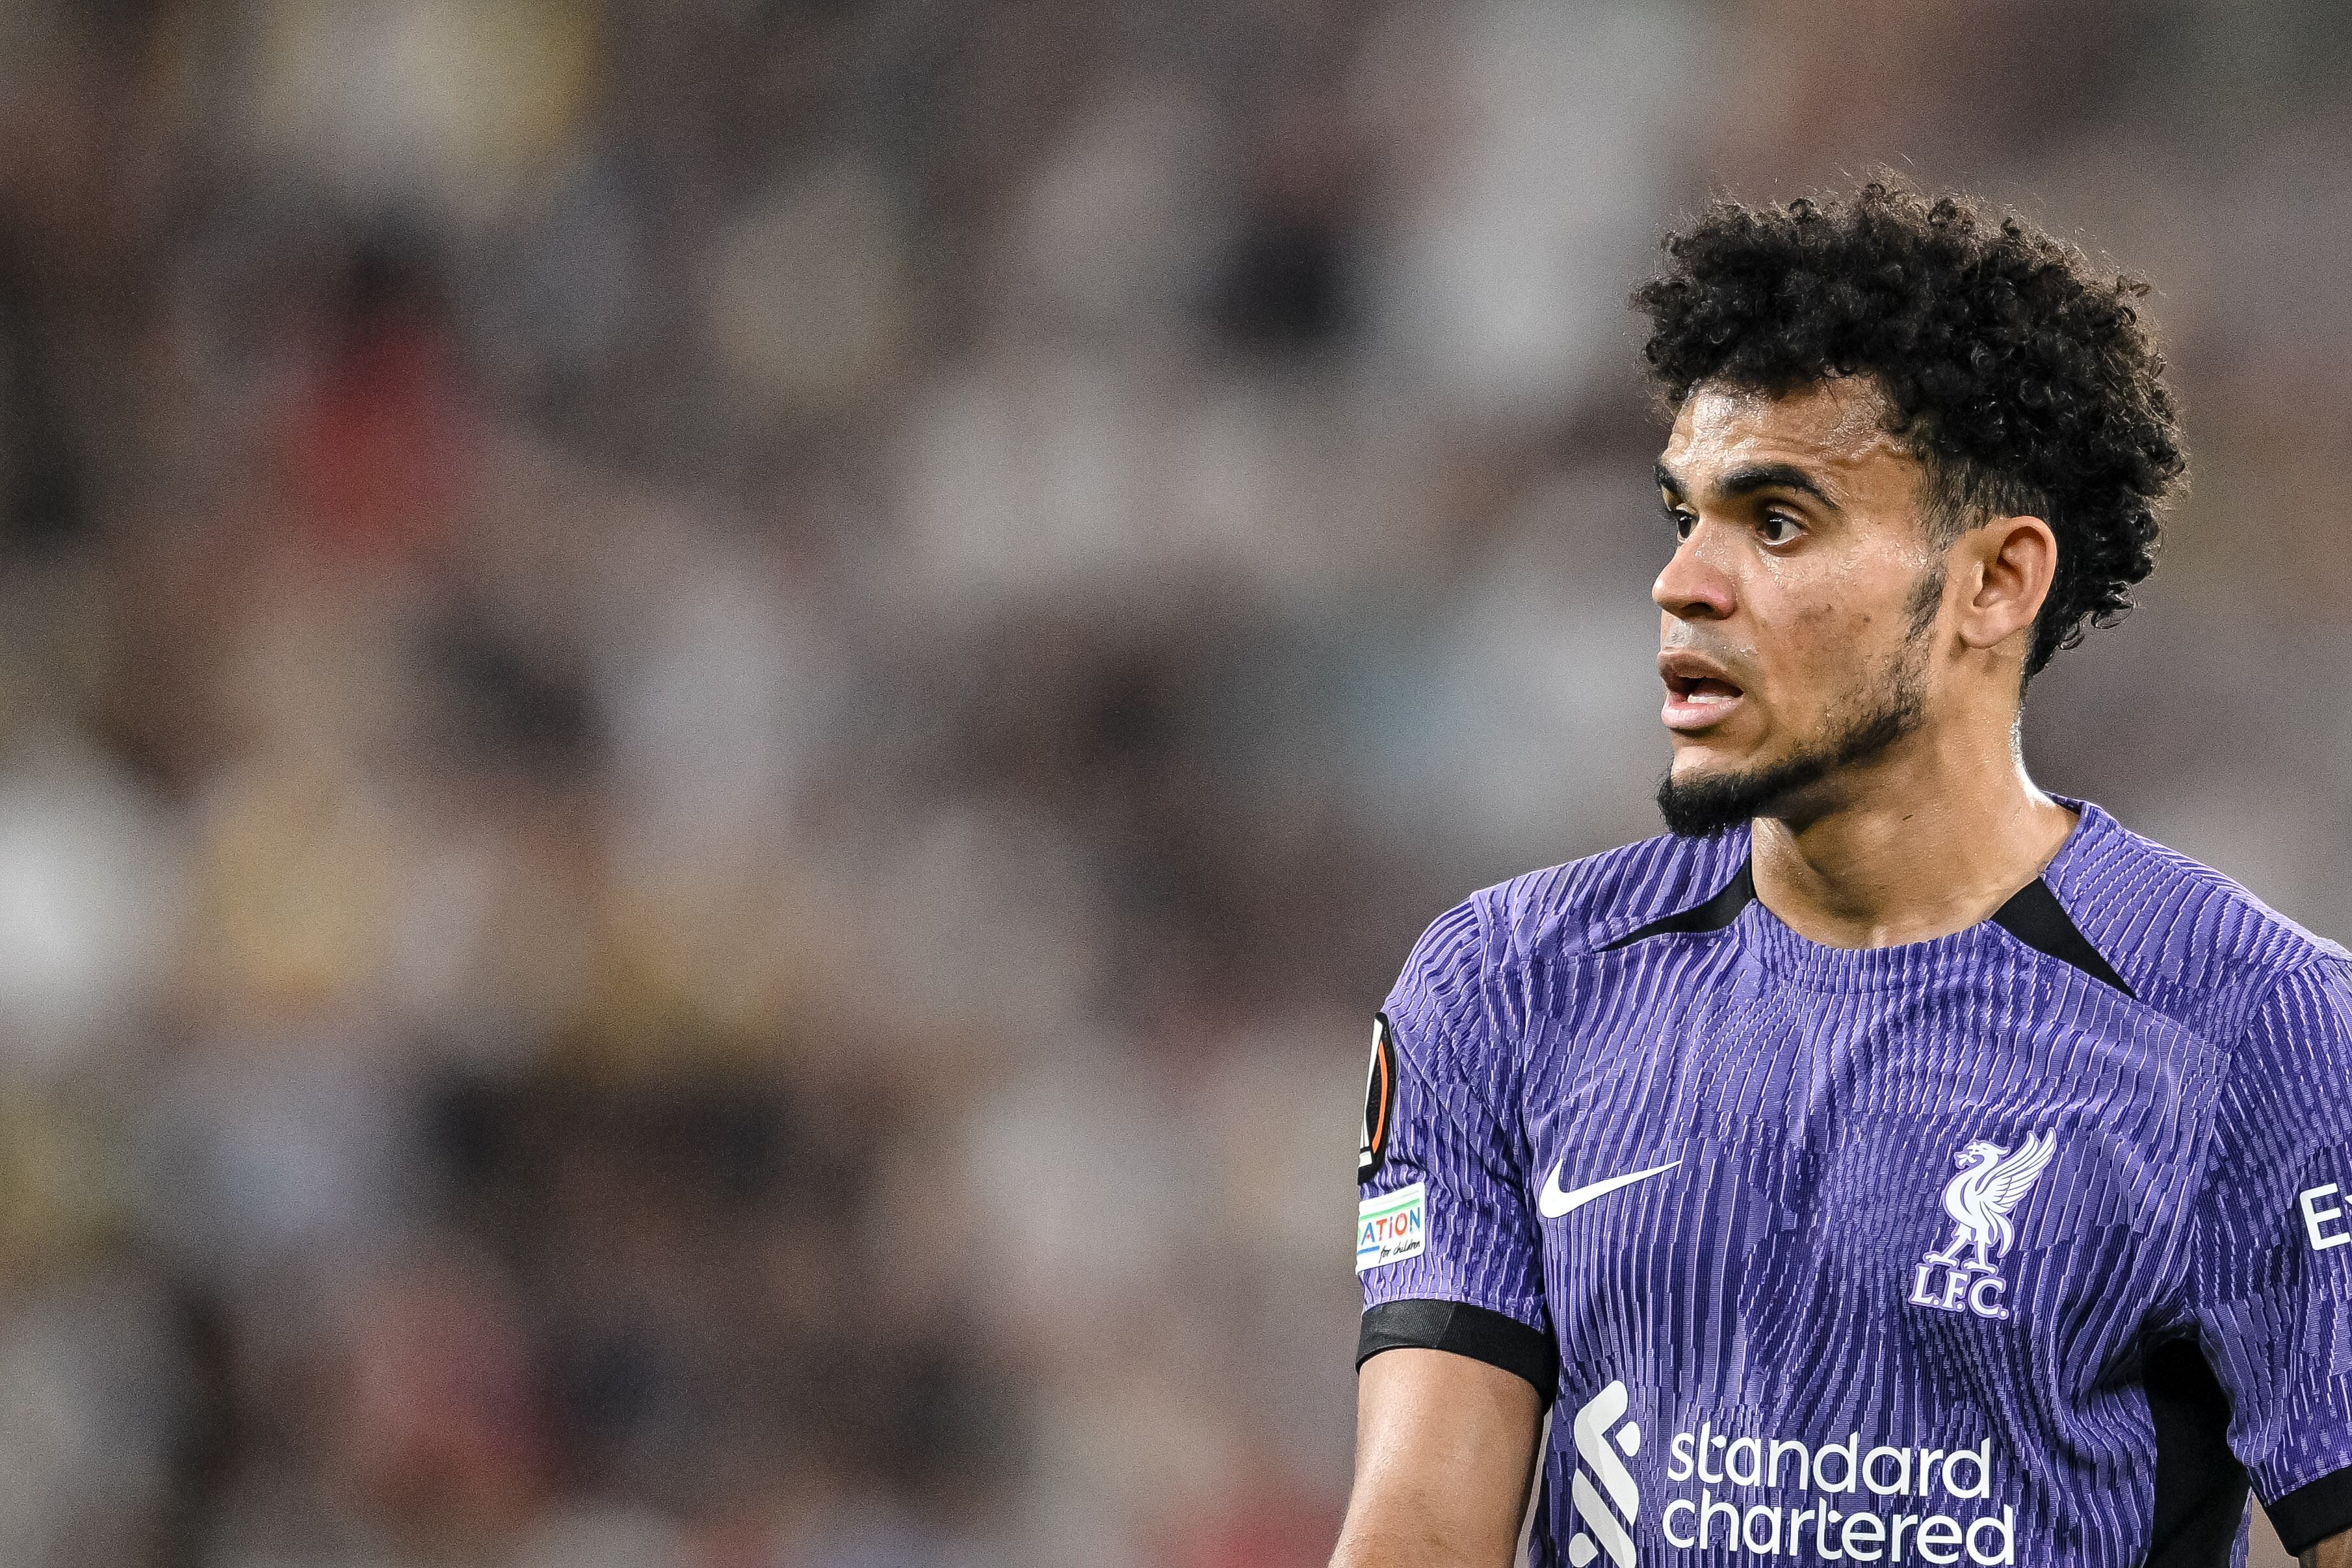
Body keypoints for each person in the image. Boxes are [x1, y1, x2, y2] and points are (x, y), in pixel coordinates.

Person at [1332, 183, 2352, 1568]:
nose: (1682, 581)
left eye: (1778, 522)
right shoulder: (1505, 991)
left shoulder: (2261, 1030)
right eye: (1683, 514)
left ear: (1997, 582)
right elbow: (1417, 1534)